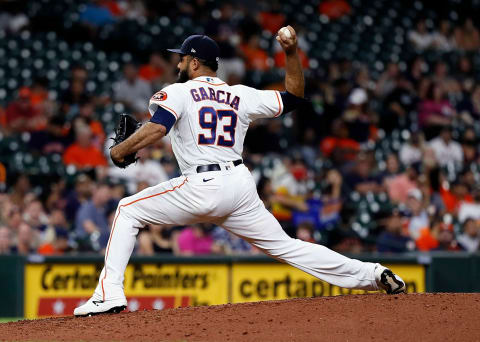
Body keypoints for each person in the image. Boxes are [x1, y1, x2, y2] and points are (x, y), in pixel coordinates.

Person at [75, 29, 406, 317]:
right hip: (240, 185)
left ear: (193, 62)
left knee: (127, 210)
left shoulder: (176, 91)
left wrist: (120, 150)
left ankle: (108, 293)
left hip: (202, 184)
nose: (177, 65)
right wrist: (291, 53)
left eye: (181, 59)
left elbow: (159, 126)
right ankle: (373, 275)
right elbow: (293, 97)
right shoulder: (239, 94)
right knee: (287, 247)